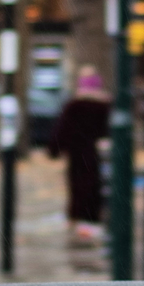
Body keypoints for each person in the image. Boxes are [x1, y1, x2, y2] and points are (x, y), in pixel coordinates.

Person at [48, 72, 111, 240]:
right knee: (94, 185)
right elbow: (109, 130)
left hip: (77, 152)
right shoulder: (105, 106)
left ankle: (76, 217)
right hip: (95, 152)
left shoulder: (74, 106)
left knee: (77, 186)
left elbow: (62, 129)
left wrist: (55, 149)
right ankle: (90, 218)